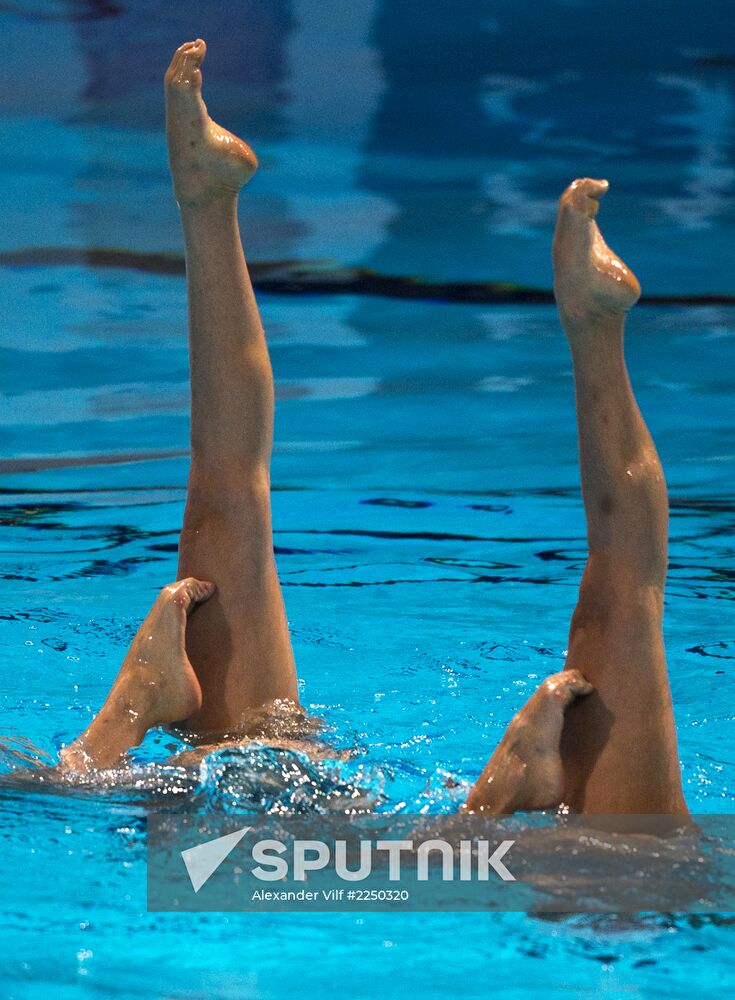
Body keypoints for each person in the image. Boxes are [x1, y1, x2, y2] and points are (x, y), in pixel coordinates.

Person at [59, 41, 687, 816]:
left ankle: (205, 201)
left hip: (286, 848)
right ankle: (595, 335)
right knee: (620, 609)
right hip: (375, 863)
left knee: (224, 500)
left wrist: (118, 729)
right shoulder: (657, 887)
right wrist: (483, 808)